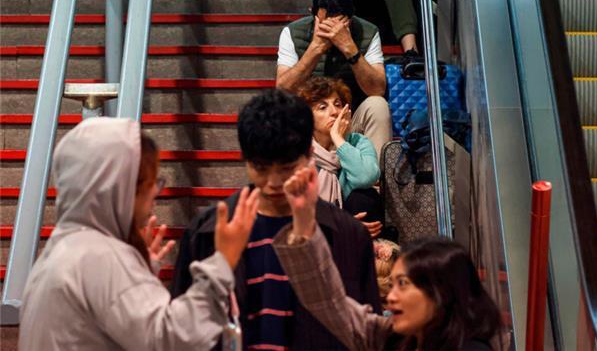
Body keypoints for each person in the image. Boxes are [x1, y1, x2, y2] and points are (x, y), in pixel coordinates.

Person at [19, 117, 260, 350]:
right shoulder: (101, 258)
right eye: (151, 182)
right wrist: (223, 261)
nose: (156, 192)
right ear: (122, 188)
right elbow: (170, 338)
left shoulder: (59, 251)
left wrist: (138, 276)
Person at [172, 89, 381, 351]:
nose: (273, 182)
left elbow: (367, 335)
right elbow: (181, 332)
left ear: (309, 154)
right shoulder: (208, 231)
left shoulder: (347, 235)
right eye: (260, 168)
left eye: (286, 169)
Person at [272, 163, 506, 351]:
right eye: (392, 285)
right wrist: (303, 223)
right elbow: (329, 303)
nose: (390, 297)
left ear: (442, 291)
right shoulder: (395, 338)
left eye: (403, 284)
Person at [277, 0, 393, 155]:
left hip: (349, 120)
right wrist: (315, 49)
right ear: (313, 14)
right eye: (326, 25)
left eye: (339, 25)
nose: (332, 31)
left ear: (350, 19)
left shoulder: (368, 32)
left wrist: (350, 48)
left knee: (378, 105)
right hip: (309, 122)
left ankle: (372, 171)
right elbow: (283, 89)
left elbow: (377, 89)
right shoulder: (292, 33)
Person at [296, 76, 383, 238]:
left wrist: (338, 140)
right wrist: (342, 224)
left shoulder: (358, 141)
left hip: (357, 230)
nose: (335, 112)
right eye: (323, 107)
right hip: (316, 232)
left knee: (364, 197)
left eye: (338, 104)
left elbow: (366, 177)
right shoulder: (299, 152)